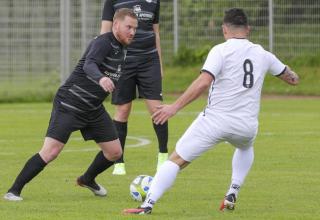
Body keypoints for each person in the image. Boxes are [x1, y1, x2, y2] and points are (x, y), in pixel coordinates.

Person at [123, 8, 299, 214]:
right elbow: (292, 78)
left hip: (215, 121)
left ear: (225, 29)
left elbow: (203, 82)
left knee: (177, 160)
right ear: (248, 29)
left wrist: (174, 107)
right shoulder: (263, 54)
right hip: (246, 126)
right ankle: (233, 191)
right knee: (244, 147)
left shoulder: (220, 50)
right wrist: (290, 73)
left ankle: (147, 205)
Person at [3, 8, 138, 201]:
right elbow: (89, 65)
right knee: (51, 152)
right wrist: (101, 79)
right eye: (128, 27)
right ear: (116, 25)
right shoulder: (103, 42)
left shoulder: (123, 49)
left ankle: (87, 179)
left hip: (93, 108)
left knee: (115, 152)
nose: (132, 32)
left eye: (135, 28)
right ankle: (13, 191)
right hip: (71, 103)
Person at [100, 0, 168, 175]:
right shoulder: (112, 2)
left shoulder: (154, 2)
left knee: (157, 109)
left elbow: (156, 33)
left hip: (149, 61)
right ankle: (119, 162)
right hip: (122, 63)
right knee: (123, 110)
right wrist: (106, 64)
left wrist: (159, 63)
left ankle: (163, 156)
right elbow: (105, 32)